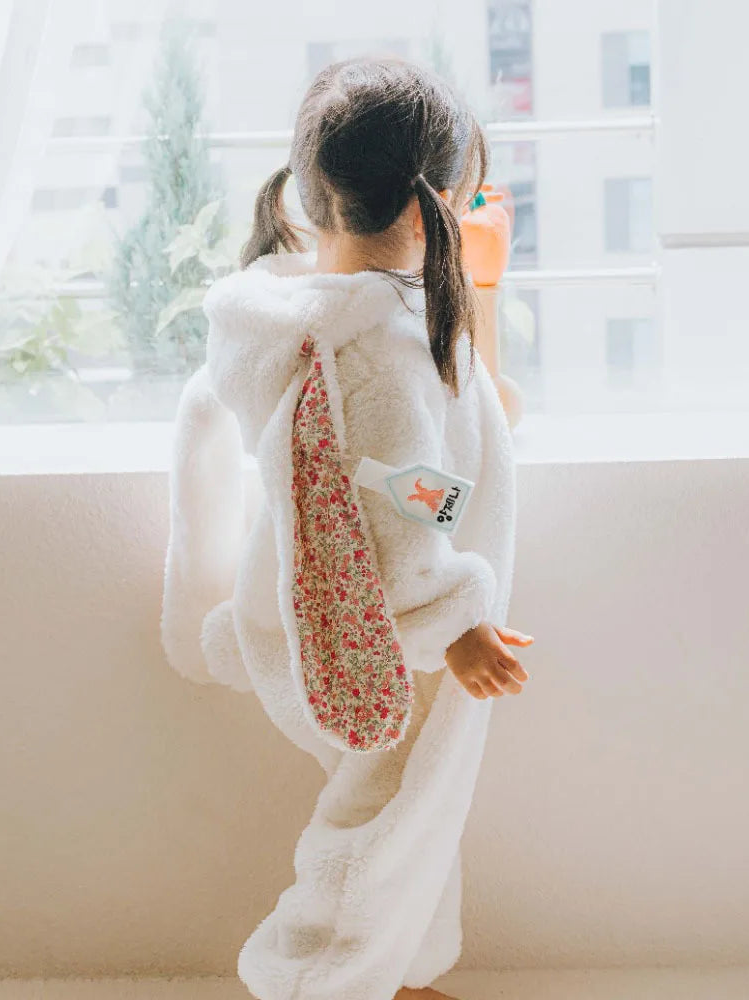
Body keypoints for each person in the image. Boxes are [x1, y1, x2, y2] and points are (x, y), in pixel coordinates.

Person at [161, 56, 532, 1000]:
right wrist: (459, 621)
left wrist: (474, 283)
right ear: (431, 208)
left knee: (416, 816)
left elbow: (470, 424)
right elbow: (404, 493)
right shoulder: (376, 359)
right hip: (378, 631)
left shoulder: (308, 313)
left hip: (313, 609)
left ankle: (397, 977)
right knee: (383, 823)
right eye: (465, 197)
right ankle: (313, 980)